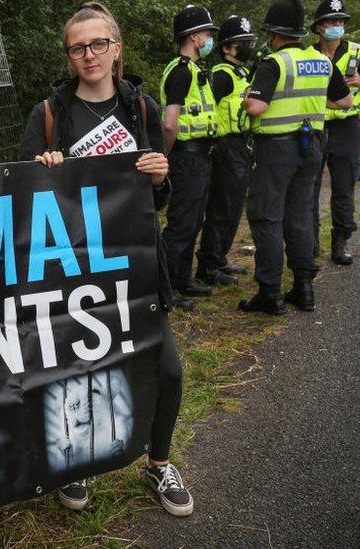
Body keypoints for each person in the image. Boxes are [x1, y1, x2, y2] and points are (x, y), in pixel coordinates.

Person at [18, 2, 194, 517]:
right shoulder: (49, 114)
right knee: (74, 367)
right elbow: (24, 200)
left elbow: (158, 200)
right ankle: (73, 465)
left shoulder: (141, 109)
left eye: (99, 44)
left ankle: (159, 462)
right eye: (78, 47)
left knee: (168, 371)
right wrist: (43, 169)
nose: (89, 55)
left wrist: (160, 177)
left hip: (135, 265)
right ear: (69, 56)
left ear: (117, 48)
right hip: (71, 270)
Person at [239, 0, 352, 315]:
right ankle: (303, 288)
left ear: (274, 34)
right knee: (300, 216)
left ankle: (270, 293)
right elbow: (344, 101)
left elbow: (256, 108)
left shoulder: (273, 63)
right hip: (311, 146)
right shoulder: (322, 61)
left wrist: (247, 96)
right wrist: (311, 107)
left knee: (267, 217)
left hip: (275, 149)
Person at [310, 0, 360, 265]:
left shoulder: (358, 51)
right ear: (319, 27)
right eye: (332, 21)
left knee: (343, 186)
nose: (338, 26)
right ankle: (310, 242)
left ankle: (341, 241)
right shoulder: (309, 54)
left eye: (341, 21)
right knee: (309, 187)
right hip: (316, 126)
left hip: (347, 127)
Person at [160, 5, 221, 302]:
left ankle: (182, 280)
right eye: (207, 33)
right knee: (182, 223)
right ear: (195, 36)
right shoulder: (182, 72)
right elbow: (169, 123)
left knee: (194, 220)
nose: (210, 38)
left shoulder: (196, 71)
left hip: (199, 156)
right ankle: (168, 287)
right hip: (186, 156)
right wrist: (166, 157)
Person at [195, 15, 256, 285]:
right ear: (227, 48)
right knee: (221, 207)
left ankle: (220, 259)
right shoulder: (220, 75)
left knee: (233, 208)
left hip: (241, 146)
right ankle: (208, 266)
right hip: (225, 147)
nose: (248, 46)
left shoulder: (241, 72)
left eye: (249, 41)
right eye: (242, 43)